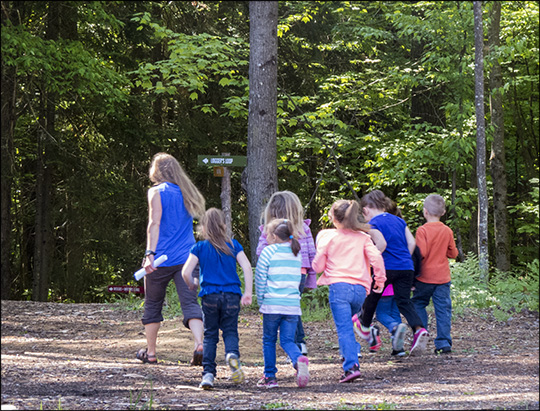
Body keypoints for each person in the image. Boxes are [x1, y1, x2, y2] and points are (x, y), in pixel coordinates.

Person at [136, 152, 205, 366]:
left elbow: (154, 224)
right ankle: (199, 344)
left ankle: (152, 353)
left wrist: (149, 254)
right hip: (188, 257)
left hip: (160, 259)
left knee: (153, 304)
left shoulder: (156, 192)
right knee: (190, 303)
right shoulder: (187, 192)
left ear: (157, 171)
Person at [312, 200, 386, 383]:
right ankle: (352, 354)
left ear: (333, 218)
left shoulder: (327, 237)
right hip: (360, 290)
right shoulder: (363, 237)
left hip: (339, 288)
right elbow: (376, 256)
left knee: (344, 328)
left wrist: (315, 262)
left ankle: (351, 366)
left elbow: (318, 265)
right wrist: (380, 279)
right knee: (351, 323)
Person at [182, 208, 253, 389]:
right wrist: (248, 292)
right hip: (231, 296)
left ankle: (207, 374)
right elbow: (246, 267)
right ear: (223, 226)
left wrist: (192, 283)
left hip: (210, 296)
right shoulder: (234, 245)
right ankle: (232, 355)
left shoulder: (199, 247)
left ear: (204, 228)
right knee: (230, 331)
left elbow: (185, 272)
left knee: (210, 335)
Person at [351, 190, 429, 356]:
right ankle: (419, 329)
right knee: (404, 301)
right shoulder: (399, 221)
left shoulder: (373, 223)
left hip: (387, 267)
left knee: (373, 296)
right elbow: (412, 242)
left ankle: (364, 326)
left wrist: (371, 262)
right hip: (406, 267)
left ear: (366, 209)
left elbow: (382, 244)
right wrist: (404, 258)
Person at [256, 191, 317, 356]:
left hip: (278, 274)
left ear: (272, 212)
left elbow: (261, 252)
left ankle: (297, 342)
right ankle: (299, 343)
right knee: (292, 306)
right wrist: (312, 280)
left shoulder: (270, 231)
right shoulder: (303, 228)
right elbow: (312, 256)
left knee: (288, 308)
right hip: (299, 274)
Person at [255, 218, 309, 389]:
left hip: (272, 304)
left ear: (274, 236)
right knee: (287, 340)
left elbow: (260, 278)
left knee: (269, 340)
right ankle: (298, 358)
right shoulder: (296, 253)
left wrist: (260, 300)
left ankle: (270, 377)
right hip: (292, 305)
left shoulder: (268, 252)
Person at [412, 194, 459, 355]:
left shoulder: (422, 231)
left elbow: (421, 253)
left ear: (425, 212)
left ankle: (421, 333)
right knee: (443, 309)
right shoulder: (447, 230)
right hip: (442, 278)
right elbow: (453, 254)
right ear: (443, 212)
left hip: (424, 277)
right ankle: (444, 342)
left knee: (418, 303)